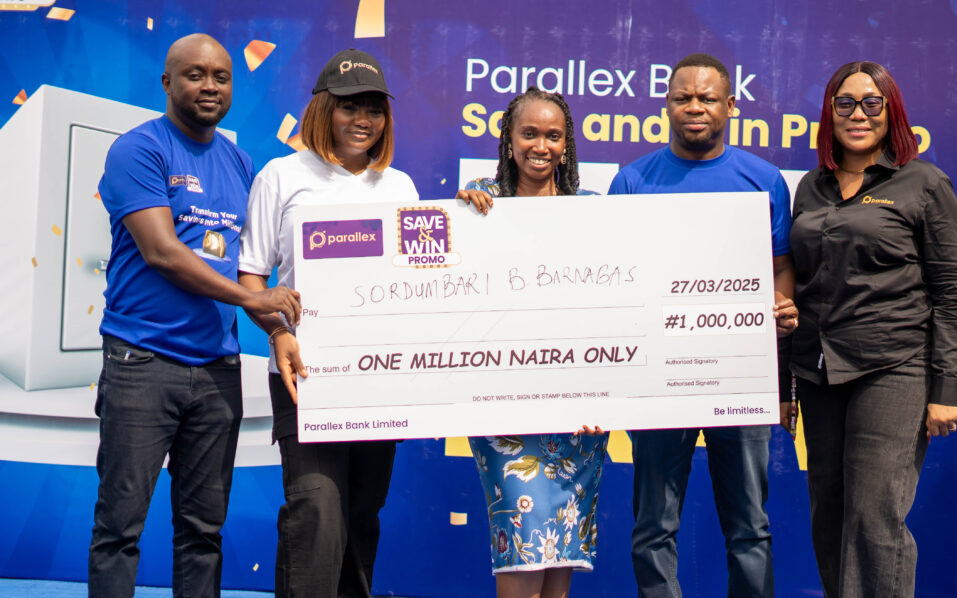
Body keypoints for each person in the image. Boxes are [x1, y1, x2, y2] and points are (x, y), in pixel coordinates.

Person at [88, 34, 301, 598]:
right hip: (141, 363)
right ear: (167, 82)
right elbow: (163, 252)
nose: (210, 86)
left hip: (216, 372)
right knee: (119, 529)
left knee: (203, 532)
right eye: (195, 74)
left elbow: (247, 267)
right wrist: (254, 301)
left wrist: (276, 326)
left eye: (221, 77)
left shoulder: (239, 162)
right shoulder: (138, 150)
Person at [607, 53, 798, 598]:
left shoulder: (762, 180)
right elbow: (612, 276)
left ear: (730, 105)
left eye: (707, 98)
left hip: (739, 375)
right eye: (683, 97)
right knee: (653, 526)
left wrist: (780, 307)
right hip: (658, 378)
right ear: (666, 105)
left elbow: (780, 267)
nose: (695, 107)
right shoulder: (632, 180)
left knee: (750, 526)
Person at [237, 48, 418, 598]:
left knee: (362, 514)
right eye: (349, 106)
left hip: (379, 379)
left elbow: (424, 277)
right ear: (323, 108)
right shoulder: (282, 175)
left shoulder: (400, 186)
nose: (363, 119)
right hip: (305, 376)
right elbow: (251, 277)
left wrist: (462, 213)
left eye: (374, 108)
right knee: (316, 511)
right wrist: (278, 331)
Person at [788, 61, 957, 598]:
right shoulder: (812, 187)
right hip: (819, 370)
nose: (858, 114)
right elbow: (798, 286)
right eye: (845, 103)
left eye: (872, 103)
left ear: (892, 113)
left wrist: (946, 389)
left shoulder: (923, 183)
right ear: (829, 113)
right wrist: (783, 382)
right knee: (829, 513)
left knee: (874, 516)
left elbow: (953, 292)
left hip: (893, 367)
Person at [456, 87, 608, 598]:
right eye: (529, 134)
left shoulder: (591, 210)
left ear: (566, 144)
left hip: (576, 411)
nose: (541, 146)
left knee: (561, 547)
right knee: (522, 545)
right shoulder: (481, 200)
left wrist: (605, 393)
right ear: (508, 139)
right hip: (505, 409)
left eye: (553, 135)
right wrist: (459, 217)